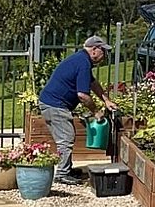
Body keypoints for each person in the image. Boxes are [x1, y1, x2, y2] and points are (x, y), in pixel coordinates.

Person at [36, 34, 112, 182]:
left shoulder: (81, 59)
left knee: (65, 137)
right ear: (95, 50)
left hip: (51, 102)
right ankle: (62, 175)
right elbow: (82, 95)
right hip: (55, 105)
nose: (105, 56)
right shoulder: (83, 62)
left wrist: (106, 100)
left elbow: (92, 82)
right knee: (66, 138)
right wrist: (96, 112)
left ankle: (67, 169)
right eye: (104, 51)